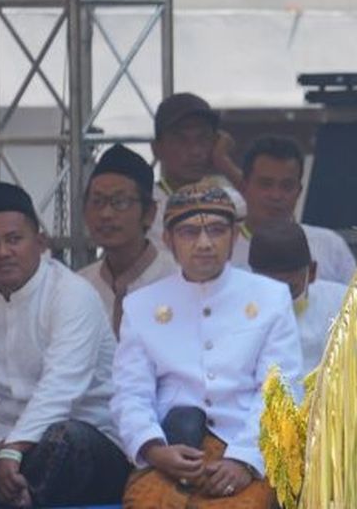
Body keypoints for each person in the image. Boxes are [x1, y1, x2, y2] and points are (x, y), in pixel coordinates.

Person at [112, 184, 302, 508]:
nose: (204, 244)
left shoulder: (270, 298)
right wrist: (154, 449)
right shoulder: (141, 306)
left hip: (246, 448)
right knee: (147, 502)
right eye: (189, 232)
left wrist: (244, 460)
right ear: (168, 240)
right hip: (172, 448)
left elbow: (280, 391)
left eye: (216, 230)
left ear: (235, 238)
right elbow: (130, 393)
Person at [0, 182, 130, 507]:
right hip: (6, 442)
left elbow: (60, 389)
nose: (3, 252)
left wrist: (13, 449)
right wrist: (3, 448)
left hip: (88, 440)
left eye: (14, 239)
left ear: (40, 242)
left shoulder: (71, 294)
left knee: (62, 440)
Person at [78, 144, 178, 336]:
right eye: (97, 202)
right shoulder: (80, 287)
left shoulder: (177, 280)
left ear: (149, 213)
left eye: (120, 202)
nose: (106, 214)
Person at [236, 136, 357, 284]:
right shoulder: (222, 251)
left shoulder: (330, 246)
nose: (276, 195)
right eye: (265, 184)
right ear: (243, 187)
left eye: (286, 186)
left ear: (298, 191)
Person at [248, 218, 346, 374]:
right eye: (268, 289)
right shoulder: (232, 310)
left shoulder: (344, 303)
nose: (279, 300)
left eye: (289, 289)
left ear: (312, 273)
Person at [149, 92, 244, 246]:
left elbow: (266, 208)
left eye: (203, 138)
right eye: (181, 140)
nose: (195, 151)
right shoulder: (142, 205)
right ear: (157, 149)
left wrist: (224, 162)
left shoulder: (228, 200)